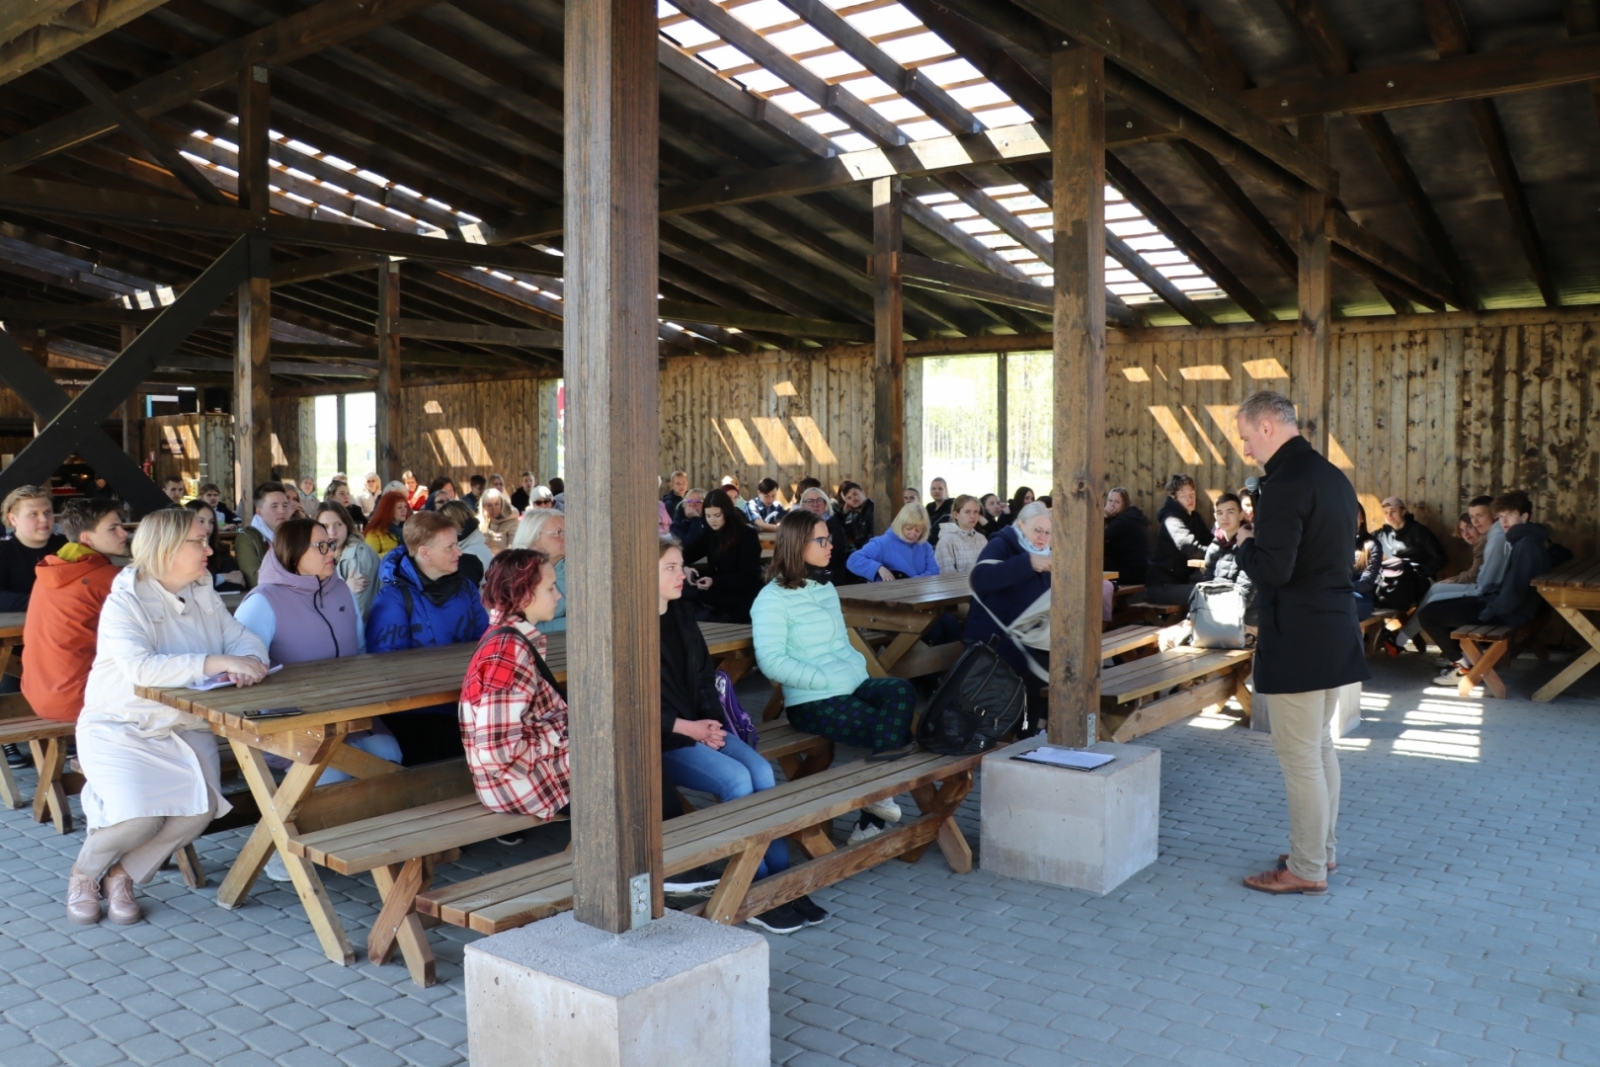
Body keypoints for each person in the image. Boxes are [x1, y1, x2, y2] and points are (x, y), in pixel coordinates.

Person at [66, 508, 270, 924]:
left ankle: (122, 875)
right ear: (166, 548)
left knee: (201, 808)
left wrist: (250, 659)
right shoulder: (125, 601)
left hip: (182, 723)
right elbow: (141, 668)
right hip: (120, 723)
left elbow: (241, 637)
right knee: (140, 818)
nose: (210, 548)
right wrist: (215, 662)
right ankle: (84, 874)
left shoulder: (201, 588)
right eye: (199, 541)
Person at [1231, 391, 1369, 896]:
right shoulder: (1331, 476)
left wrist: (1245, 543)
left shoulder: (1286, 484)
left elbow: (1273, 570)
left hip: (1301, 634)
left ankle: (1307, 868)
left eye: (1246, 437)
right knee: (1320, 747)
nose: (1246, 449)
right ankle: (1321, 851)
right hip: (1334, 626)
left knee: (1300, 757)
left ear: (1267, 427)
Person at [658, 537, 822, 933]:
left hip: (702, 728)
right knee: (736, 780)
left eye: (681, 566)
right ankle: (756, 890)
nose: (684, 575)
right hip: (663, 739)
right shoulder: (627, 627)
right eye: (672, 568)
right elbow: (627, 705)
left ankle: (781, 882)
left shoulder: (681, 611)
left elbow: (703, 679)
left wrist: (712, 724)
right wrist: (690, 729)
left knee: (762, 773)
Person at [752, 511, 914, 842]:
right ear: (798, 545)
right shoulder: (771, 599)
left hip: (850, 686)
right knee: (881, 725)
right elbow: (771, 662)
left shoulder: (825, 588)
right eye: (821, 540)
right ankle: (874, 813)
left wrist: (853, 670)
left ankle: (876, 801)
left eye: (829, 539)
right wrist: (821, 679)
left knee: (900, 690)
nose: (831, 546)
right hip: (812, 699)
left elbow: (840, 644)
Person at [235, 518, 398, 812]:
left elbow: (360, 650)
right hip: (290, 722)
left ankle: (373, 840)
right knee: (330, 776)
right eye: (321, 546)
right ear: (294, 553)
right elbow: (241, 667)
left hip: (349, 713)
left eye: (331, 545)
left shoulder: (340, 590)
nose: (331, 553)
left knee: (388, 753)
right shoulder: (263, 601)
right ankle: (291, 850)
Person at [367, 512, 490, 763]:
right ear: (425, 553)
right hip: (416, 711)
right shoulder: (394, 598)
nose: (459, 552)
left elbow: (484, 640)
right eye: (450, 547)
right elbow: (387, 666)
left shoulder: (465, 587)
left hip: (465, 699)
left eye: (457, 544)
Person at [458, 549, 571, 821]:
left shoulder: (507, 640)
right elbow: (497, 752)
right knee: (639, 775)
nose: (558, 596)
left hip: (520, 783)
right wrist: (559, 733)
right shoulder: (508, 651)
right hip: (527, 788)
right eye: (551, 587)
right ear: (523, 593)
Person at [1420, 491, 1552, 685]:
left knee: (1428, 615)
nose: (1504, 521)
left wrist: (1489, 610)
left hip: (1511, 612)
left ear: (1525, 516)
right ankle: (1466, 659)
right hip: (1514, 606)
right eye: (1500, 517)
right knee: (1446, 606)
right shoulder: (1527, 540)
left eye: (1510, 515)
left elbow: (1513, 593)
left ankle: (1462, 667)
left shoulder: (1525, 546)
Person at [22, 498, 128, 724]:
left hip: (37, 694)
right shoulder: (108, 578)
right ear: (86, 538)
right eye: (113, 528)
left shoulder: (52, 568)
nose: (123, 533)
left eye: (121, 525)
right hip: (82, 699)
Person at [964, 501, 1052, 727]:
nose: (1043, 537)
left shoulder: (1047, 553)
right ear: (1020, 525)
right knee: (1037, 674)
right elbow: (979, 579)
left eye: (1048, 532)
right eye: (1037, 530)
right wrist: (1027, 563)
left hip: (1027, 638)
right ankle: (1024, 735)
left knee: (1067, 665)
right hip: (993, 640)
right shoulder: (1002, 543)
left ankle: (1033, 731)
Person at [1386, 496, 1506, 658]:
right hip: (1485, 589)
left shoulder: (1491, 539)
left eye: (1479, 517)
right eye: (1471, 519)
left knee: (1434, 601)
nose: (1471, 529)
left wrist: (1452, 579)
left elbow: (1476, 577)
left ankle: (1455, 658)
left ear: (1494, 515)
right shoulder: (1490, 537)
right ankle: (1401, 639)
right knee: (1435, 591)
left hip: (1488, 595)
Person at [680, 488, 763, 624]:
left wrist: (715, 581)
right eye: (708, 516)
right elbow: (685, 553)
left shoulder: (747, 535)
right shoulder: (709, 532)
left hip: (742, 597)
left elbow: (749, 576)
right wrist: (685, 568)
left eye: (717, 515)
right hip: (717, 592)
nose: (712, 520)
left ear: (727, 512)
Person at [1145, 473, 1210, 606]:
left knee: (1223, 585)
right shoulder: (1172, 519)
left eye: (1192, 493)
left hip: (1182, 579)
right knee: (1210, 595)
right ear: (1174, 498)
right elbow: (1189, 547)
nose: (1190, 498)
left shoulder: (1195, 517)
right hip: (1161, 585)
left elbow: (1211, 540)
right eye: (1183, 496)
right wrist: (1218, 553)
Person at [1373, 496, 1448, 611]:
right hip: (1394, 581)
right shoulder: (1382, 534)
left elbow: (1441, 558)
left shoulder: (1419, 532)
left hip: (1420, 580)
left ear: (1404, 511)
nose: (1389, 516)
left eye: (1393, 511)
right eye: (1386, 512)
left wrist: (1419, 570)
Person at [0, 486, 67, 612]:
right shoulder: (3, 551)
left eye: (47, 512)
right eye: (33, 514)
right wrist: (49, 601)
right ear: (13, 519)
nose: (43, 519)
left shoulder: (67, 546)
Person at [316, 500, 379, 618]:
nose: (332, 532)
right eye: (325, 526)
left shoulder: (358, 555)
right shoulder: (323, 553)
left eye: (338, 524)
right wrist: (344, 589)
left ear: (347, 525)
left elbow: (357, 614)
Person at [847, 501, 937, 583]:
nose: (913, 533)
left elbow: (934, 571)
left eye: (918, 530)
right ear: (900, 524)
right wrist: (878, 568)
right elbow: (853, 560)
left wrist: (912, 583)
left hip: (919, 595)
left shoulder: (925, 546)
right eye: (909, 528)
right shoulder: (883, 542)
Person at [509, 508, 568, 633]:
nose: (566, 537)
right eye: (558, 532)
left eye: (567, 532)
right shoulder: (515, 575)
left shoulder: (577, 569)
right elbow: (521, 627)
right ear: (533, 536)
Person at [1200, 493, 1255, 624]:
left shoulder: (1250, 545)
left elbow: (1246, 591)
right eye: (1219, 513)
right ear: (1215, 517)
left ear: (1241, 515)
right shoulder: (1214, 546)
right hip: (1213, 612)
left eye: (1230, 512)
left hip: (1242, 616)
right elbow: (1206, 585)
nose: (1224, 517)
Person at [233, 481, 294, 590]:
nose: (282, 511)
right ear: (259, 512)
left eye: (285, 505)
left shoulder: (295, 534)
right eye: (274, 506)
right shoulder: (247, 538)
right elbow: (255, 580)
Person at [797, 487, 856, 582]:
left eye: (819, 500)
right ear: (803, 506)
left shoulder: (834, 525)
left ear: (826, 504)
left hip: (830, 578)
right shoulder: (798, 525)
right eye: (810, 501)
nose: (815, 504)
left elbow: (833, 556)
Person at [185, 500, 245, 591]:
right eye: (201, 521)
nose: (208, 527)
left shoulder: (220, 550)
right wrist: (223, 577)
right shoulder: (179, 552)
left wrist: (211, 581)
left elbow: (236, 583)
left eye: (211, 522)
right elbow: (187, 584)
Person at [1102, 487, 1149, 585]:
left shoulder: (1124, 521)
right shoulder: (1131, 516)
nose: (1112, 505)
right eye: (1110, 500)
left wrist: (1104, 515)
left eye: (1117, 502)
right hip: (1140, 570)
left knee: (1094, 572)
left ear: (1124, 505)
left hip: (1132, 571)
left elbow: (1098, 538)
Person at [439, 499, 491, 584]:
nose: (441, 530)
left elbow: (462, 594)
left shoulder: (467, 557)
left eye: (444, 524)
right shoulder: (477, 544)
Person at [934, 495, 987, 575]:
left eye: (976, 512)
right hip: (956, 586)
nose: (973, 516)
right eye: (967, 512)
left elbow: (987, 567)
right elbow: (948, 575)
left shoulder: (982, 539)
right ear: (956, 515)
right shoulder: (946, 541)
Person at [1351, 506, 1382, 621]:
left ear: (1362, 518)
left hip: (1362, 599)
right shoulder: (1336, 543)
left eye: (1354, 514)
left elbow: (1367, 583)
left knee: (1333, 602)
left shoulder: (1372, 545)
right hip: (1337, 595)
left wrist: (1340, 588)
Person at [363, 490, 409, 558]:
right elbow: (369, 558)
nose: (404, 510)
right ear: (388, 509)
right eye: (399, 507)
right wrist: (396, 552)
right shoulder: (374, 533)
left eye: (405, 506)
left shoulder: (407, 529)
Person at [478, 488, 520, 555]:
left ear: (502, 504)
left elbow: (514, 550)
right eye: (489, 505)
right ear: (483, 507)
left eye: (497, 504)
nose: (494, 509)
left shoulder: (513, 522)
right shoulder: (480, 523)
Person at [836, 481, 875, 550]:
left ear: (863, 492)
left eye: (855, 494)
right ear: (847, 502)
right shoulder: (855, 514)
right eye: (849, 498)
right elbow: (841, 529)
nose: (853, 499)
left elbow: (873, 536)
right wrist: (844, 513)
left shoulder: (873, 509)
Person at [924, 478, 952, 547]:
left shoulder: (952, 505)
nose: (936, 491)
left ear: (946, 490)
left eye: (940, 489)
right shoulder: (929, 507)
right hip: (928, 545)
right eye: (933, 489)